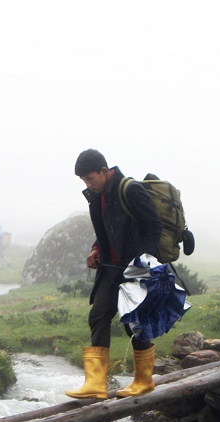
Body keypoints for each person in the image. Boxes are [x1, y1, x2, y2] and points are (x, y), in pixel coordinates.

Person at [65, 149, 163, 400]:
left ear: (104, 171)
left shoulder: (130, 190)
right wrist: (96, 248)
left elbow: (153, 227)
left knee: (134, 323)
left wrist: (143, 262)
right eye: (84, 181)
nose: (88, 184)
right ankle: (96, 384)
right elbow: (107, 228)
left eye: (90, 178)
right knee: (98, 315)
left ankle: (144, 380)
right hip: (110, 267)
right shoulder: (99, 195)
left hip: (134, 268)